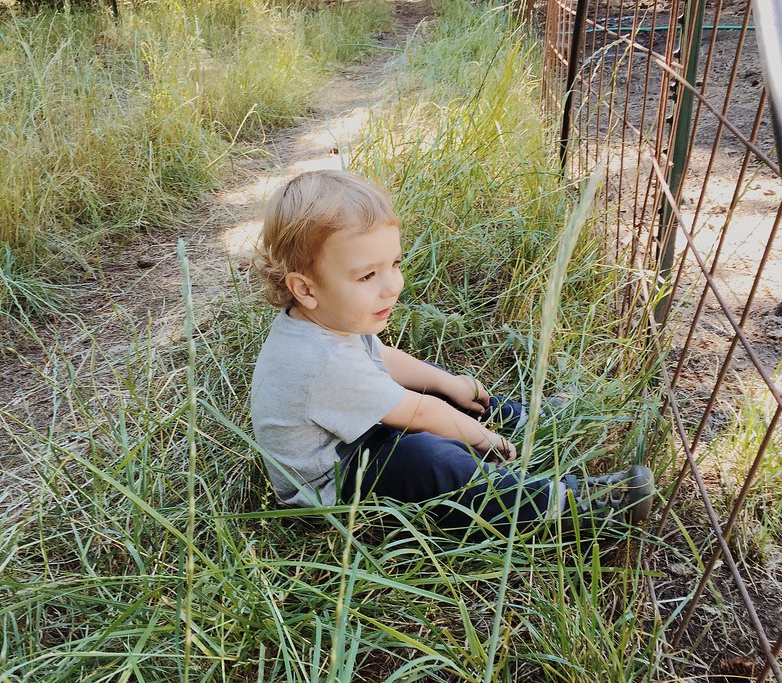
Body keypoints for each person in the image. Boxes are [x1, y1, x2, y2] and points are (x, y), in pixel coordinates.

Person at [250, 169, 653, 539]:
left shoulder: (324, 321)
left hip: (354, 440)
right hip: (335, 489)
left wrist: (450, 384)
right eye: (368, 275)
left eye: (395, 264)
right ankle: (564, 506)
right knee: (426, 459)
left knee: (435, 386)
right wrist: (483, 438)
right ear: (306, 288)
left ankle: (523, 417)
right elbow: (420, 413)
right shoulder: (322, 361)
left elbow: (384, 360)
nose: (393, 286)